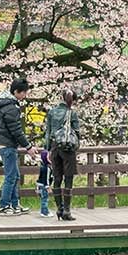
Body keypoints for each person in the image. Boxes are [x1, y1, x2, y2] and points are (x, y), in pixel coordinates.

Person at [45, 86, 81, 222]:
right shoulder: (72, 113)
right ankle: (67, 210)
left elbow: (48, 132)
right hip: (68, 149)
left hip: (55, 147)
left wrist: (47, 149)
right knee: (69, 178)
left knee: (57, 178)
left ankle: (59, 209)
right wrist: (77, 145)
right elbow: (77, 132)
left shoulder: (52, 112)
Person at [0, 76, 28, 215]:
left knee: (15, 176)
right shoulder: (11, 107)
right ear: (17, 91)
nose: (25, 95)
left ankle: (15, 204)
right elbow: (16, 130)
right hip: (7, 145)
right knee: (11, 177)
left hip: (6, 144)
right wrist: (28, 146)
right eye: (24, 92)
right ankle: (5, 205)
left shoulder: (6, 104)